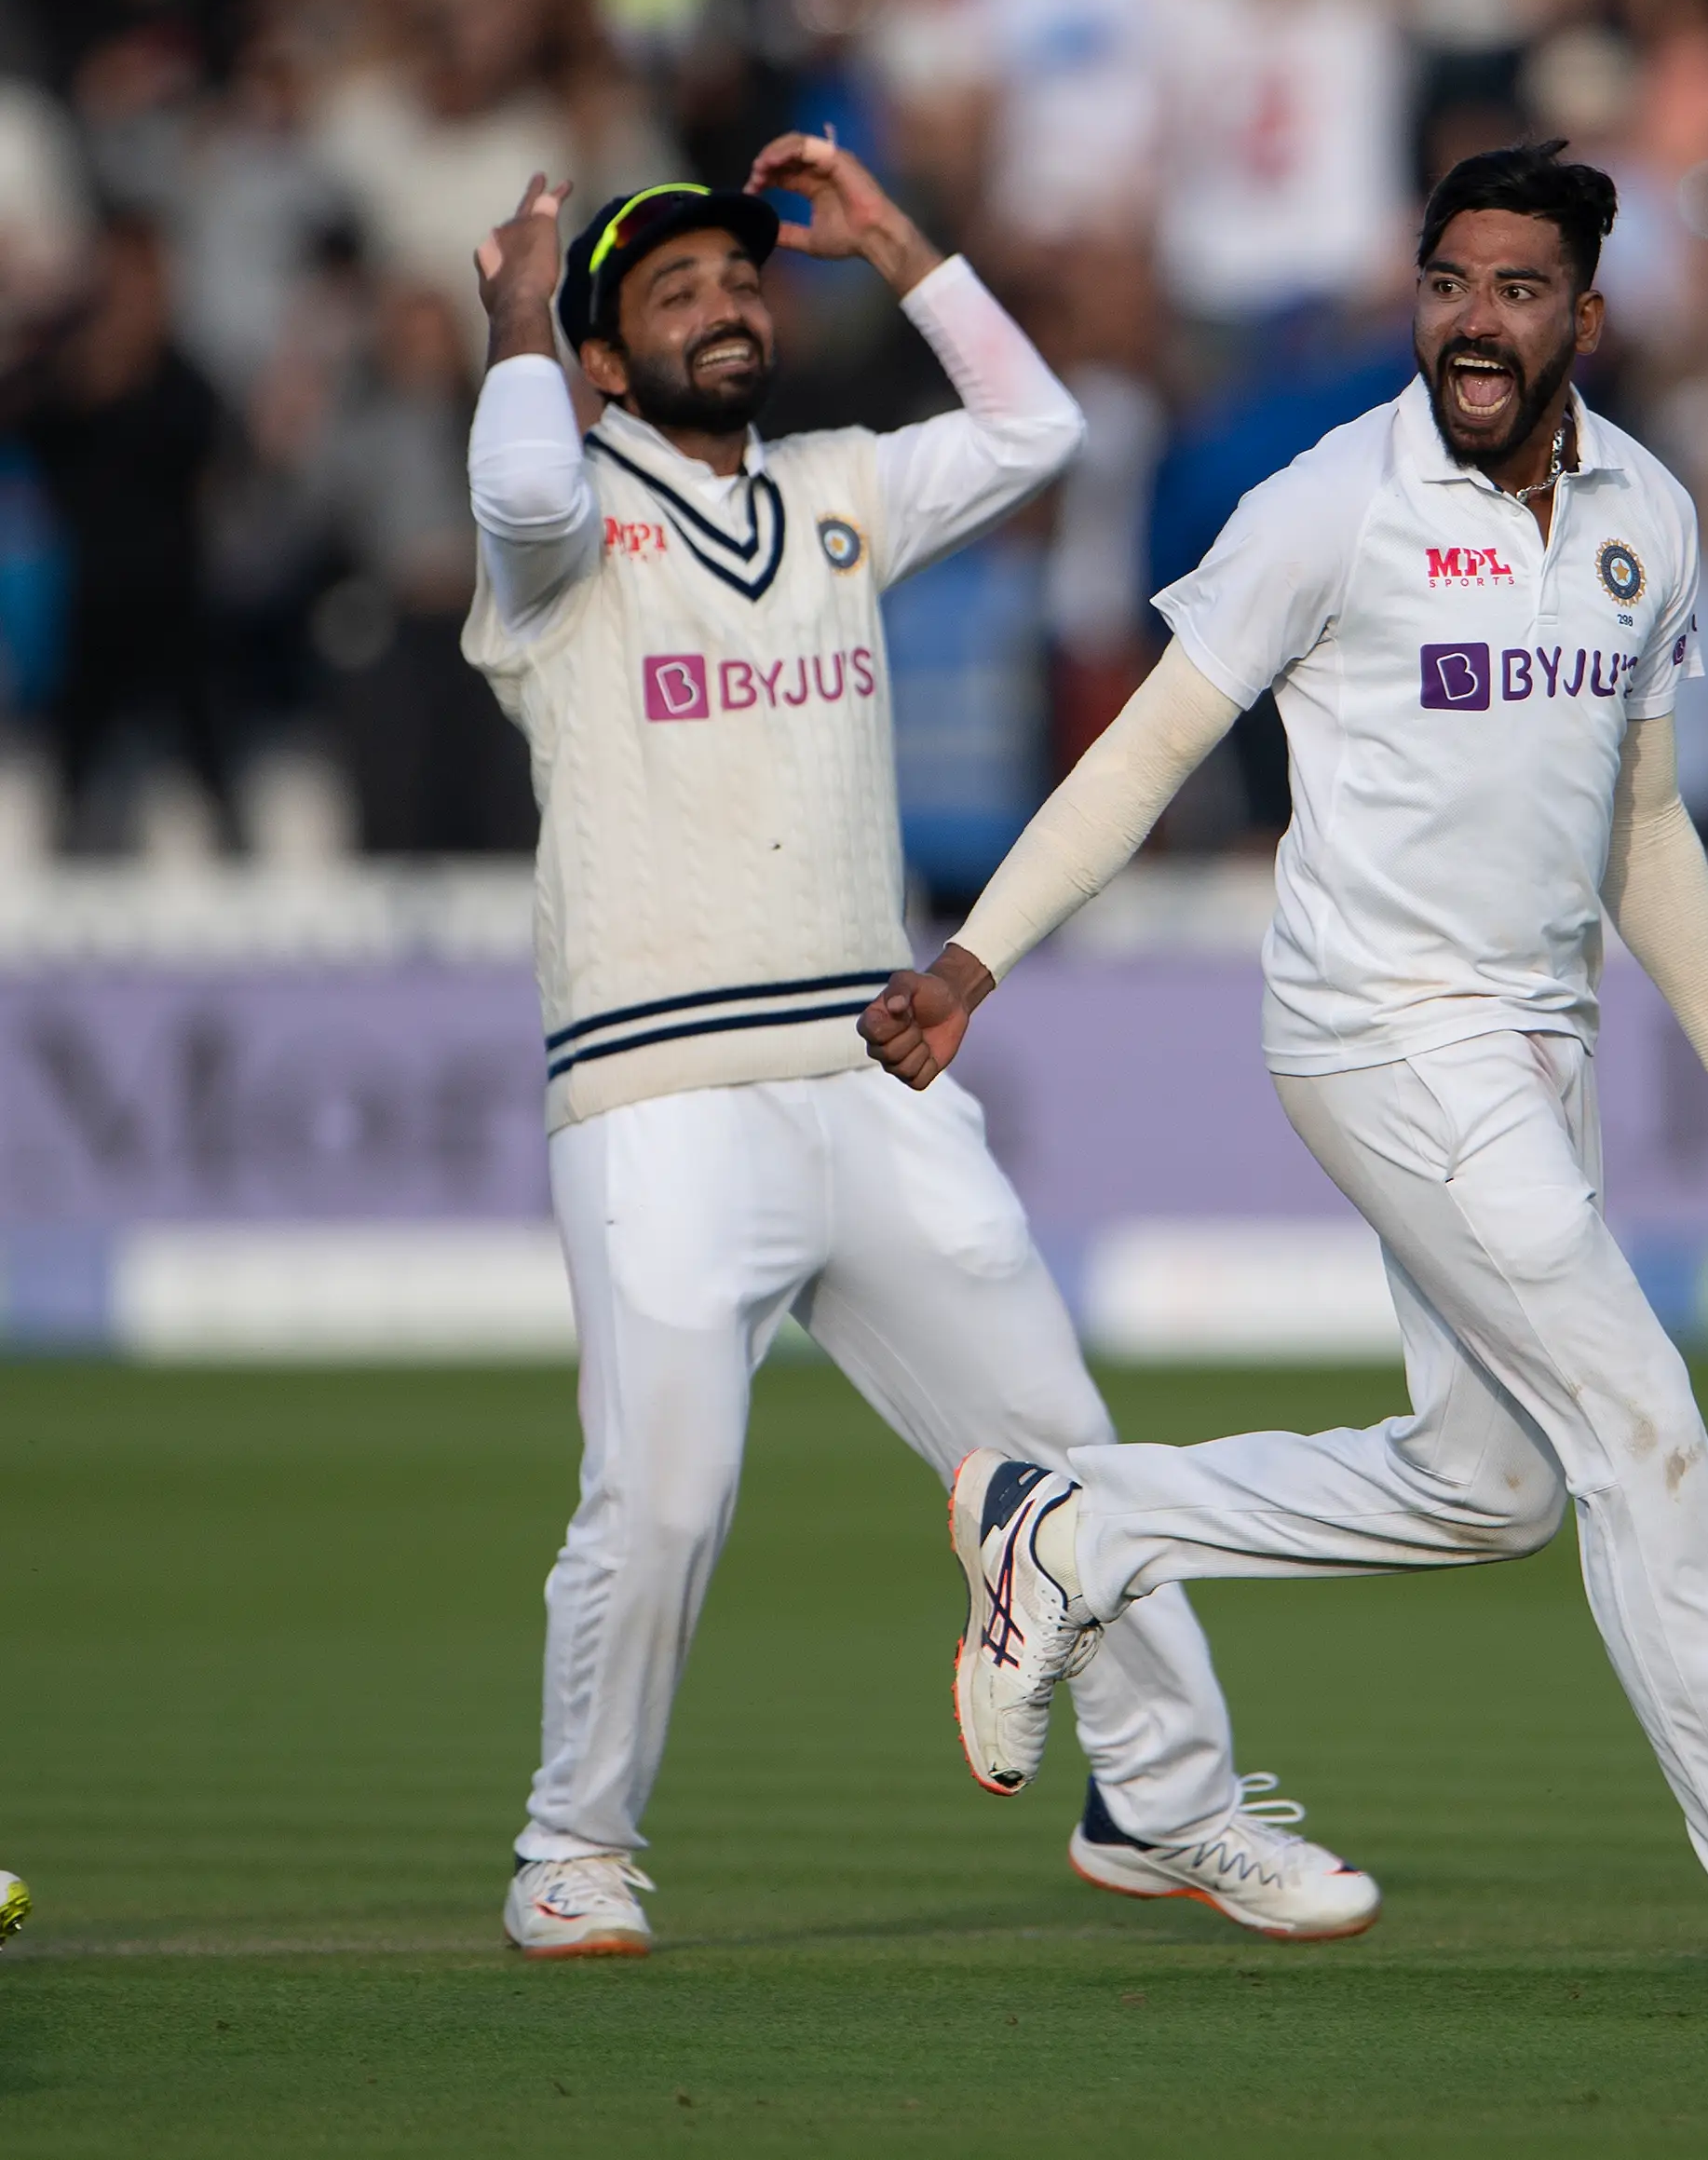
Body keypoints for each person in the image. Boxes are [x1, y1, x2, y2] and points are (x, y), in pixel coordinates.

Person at [856, 141, 1708, 2033]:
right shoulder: (1332, 502)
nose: (1477, 324)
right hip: (1381, 1031)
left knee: (1490, 1490)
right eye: (1450, 285)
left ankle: (1075, 1528)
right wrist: (976, 955)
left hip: (1531, 1047)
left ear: (1587, 315)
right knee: (1647, 1437)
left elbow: (1644, 820)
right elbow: (1150, 748)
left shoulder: (1645, 509)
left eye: (1517, 291)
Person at [462, 137, 1367, 1963]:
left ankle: (1170, 1809)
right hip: (657, 1097)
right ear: (605, 367)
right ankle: (574, 1844)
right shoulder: (558, 531)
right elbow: (524, 491)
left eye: (739, 277)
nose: (723, 302)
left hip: (864, 1074)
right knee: (669, 1492)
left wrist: (908, 253)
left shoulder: (836, 491)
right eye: (668, 294)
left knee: (1057, 1455)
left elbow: (1039, 435)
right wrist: (510, 332)